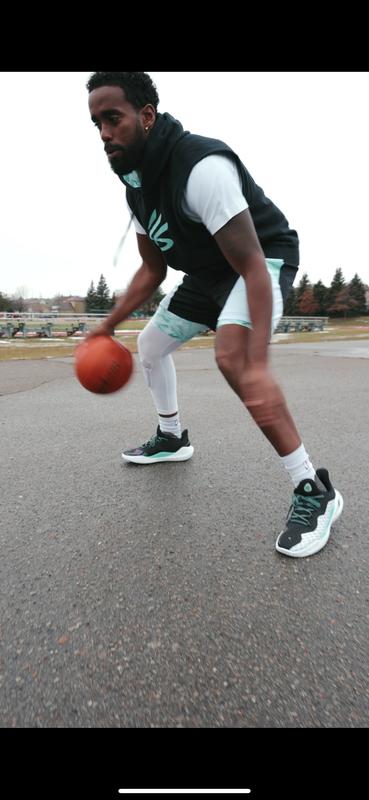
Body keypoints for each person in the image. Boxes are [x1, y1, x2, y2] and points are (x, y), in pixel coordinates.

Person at [86, 71, 343, 558]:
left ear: (146, 115)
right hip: (207, 274)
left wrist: (258, 360)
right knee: (151, 345)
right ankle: (170, 436)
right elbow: (152, 268)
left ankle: (315, 489)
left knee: (234, 359)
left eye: (113, 119)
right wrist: (107, 324)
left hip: (259, 261)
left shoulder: (200, 166)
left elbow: (250, 264)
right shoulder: (135, 184)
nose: (103, 133)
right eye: (96, 123)